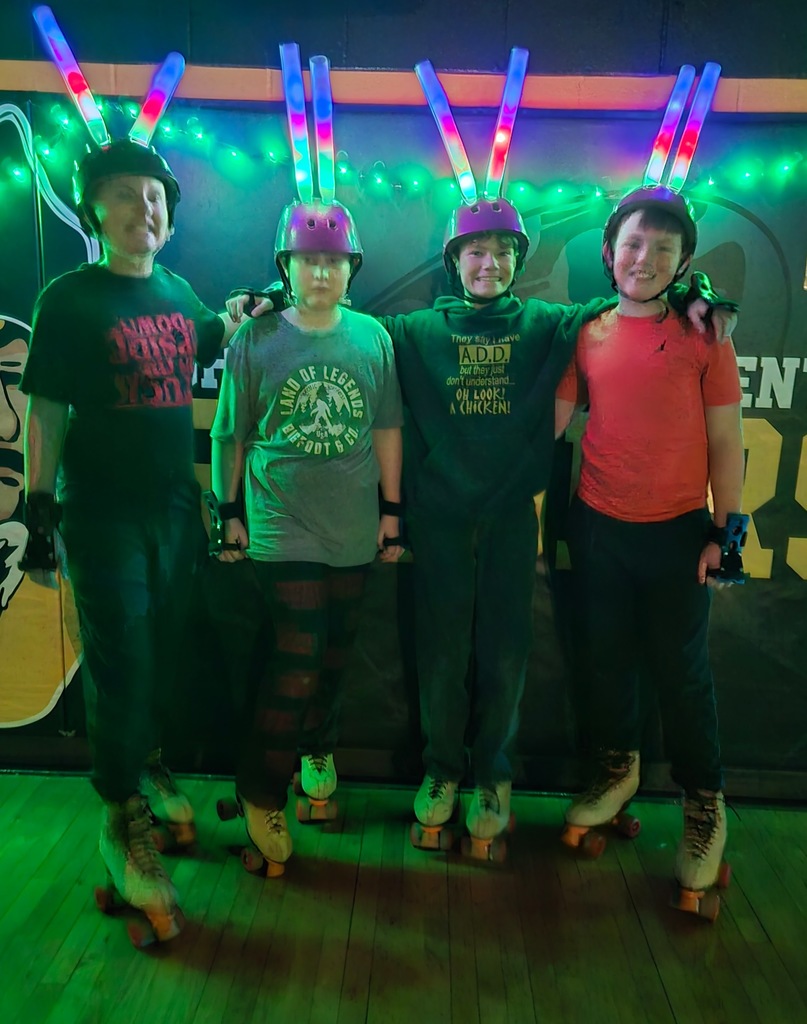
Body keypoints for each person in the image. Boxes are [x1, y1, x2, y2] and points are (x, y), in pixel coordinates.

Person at [20, 138, 241, 940]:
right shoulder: (69, 298)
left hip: (173, 508)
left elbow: (197, 343)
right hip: (102, 512)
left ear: (167, 215)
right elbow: (45, 407)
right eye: (120, 194)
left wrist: (234, 319)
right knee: (121, 663)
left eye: (151, 196)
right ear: (94, 209)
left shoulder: (179, 291)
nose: (139, 208)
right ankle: (120, 819)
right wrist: (39, 509)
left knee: (165, 652)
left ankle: (146, 767)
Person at [556, 185, 744, 913]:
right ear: (609, 254)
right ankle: (617, 771)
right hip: (597, 526)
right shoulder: (586, 332)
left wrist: (722, 537)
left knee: (682, 678)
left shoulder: (706, 334)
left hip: (674, 534)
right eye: (633, 243)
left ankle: (704, 807)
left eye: (663, 248)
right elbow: (549, 421)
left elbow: (726, 440)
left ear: (682, 261)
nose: (644, 258)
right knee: (605, 663)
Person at [210, 199, 404, 872]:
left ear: (350, 268)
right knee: (297, 656)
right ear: (286, 267)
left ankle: (314, 748)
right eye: (307, 260)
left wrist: (392, 510)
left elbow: (384, 428)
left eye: (333, 261)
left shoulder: (372, 337)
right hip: (278, 523)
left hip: (350, 527)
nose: (321, 272)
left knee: (331, 657)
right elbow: (228, 432)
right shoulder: (254, 339)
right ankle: (260, 792)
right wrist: (226, 508)